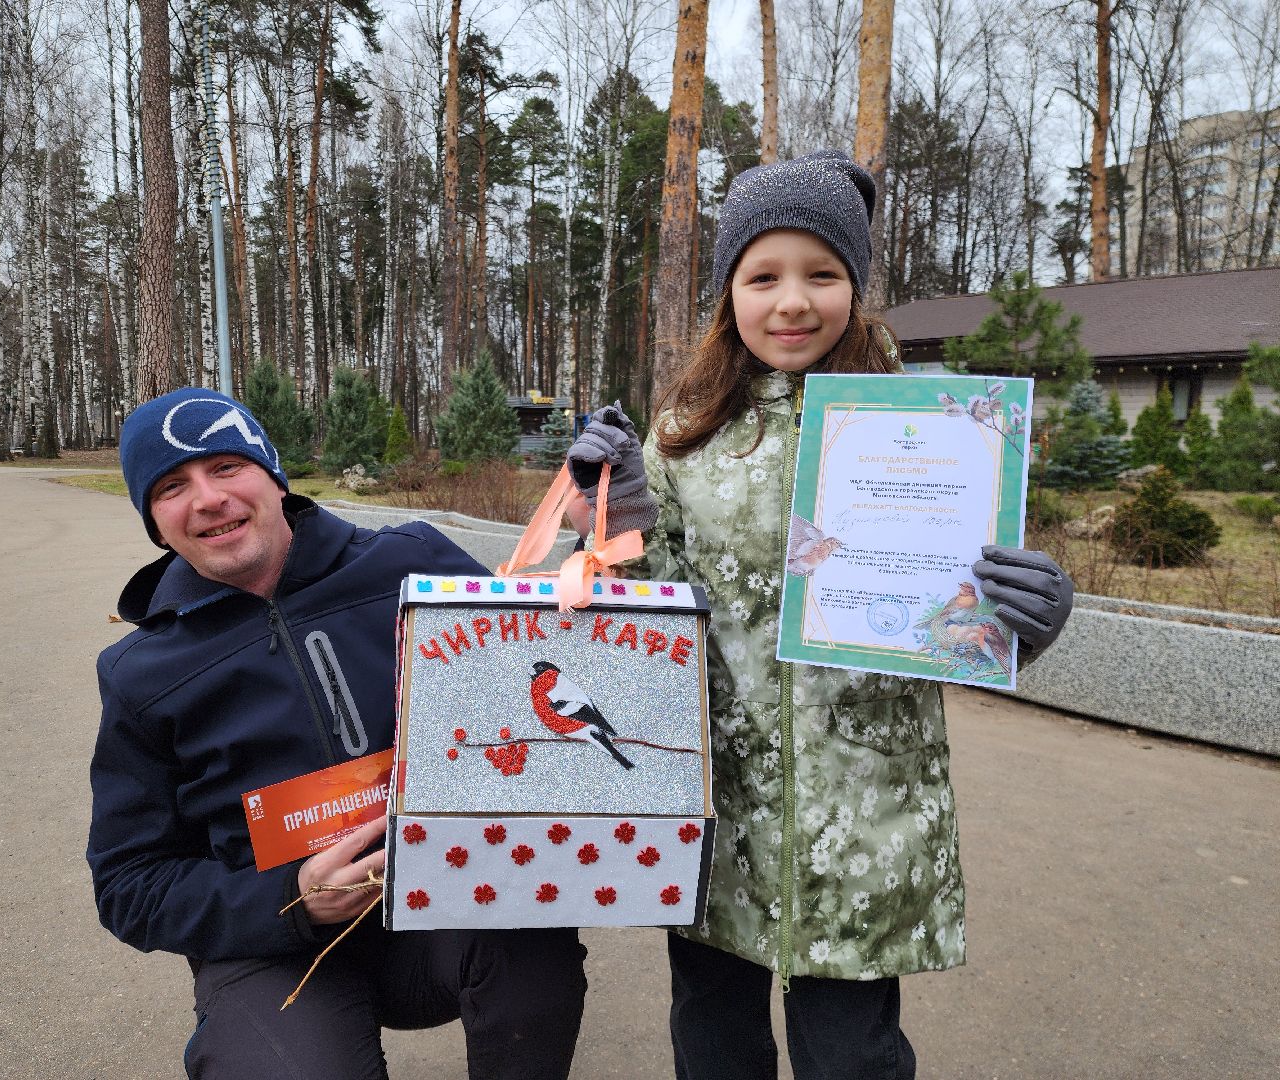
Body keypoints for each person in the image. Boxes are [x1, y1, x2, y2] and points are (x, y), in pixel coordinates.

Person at [567, 151, 1074, 1080]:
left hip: (867, 814)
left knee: (854, 1057)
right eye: (763, 276)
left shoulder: (935, 426)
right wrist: (616, 517)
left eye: (822, 274)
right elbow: (641, 612)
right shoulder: (688, 431)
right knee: (715, 1041)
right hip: (714, 805)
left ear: (856, 285)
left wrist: (1020, 620)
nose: (792, 302)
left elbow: (957, 603)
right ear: (730, 292)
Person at [87, 388, 587, 1080]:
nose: (206, 498)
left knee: (533, 937)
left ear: (272, 475)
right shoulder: (141, 673)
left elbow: (557, 671)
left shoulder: (414, 563)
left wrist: (600, 539)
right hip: (276, 950)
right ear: (154, 520)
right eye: (172, 487)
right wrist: (292, 897)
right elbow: (128, 884)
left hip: (442, 904)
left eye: (226, 467)